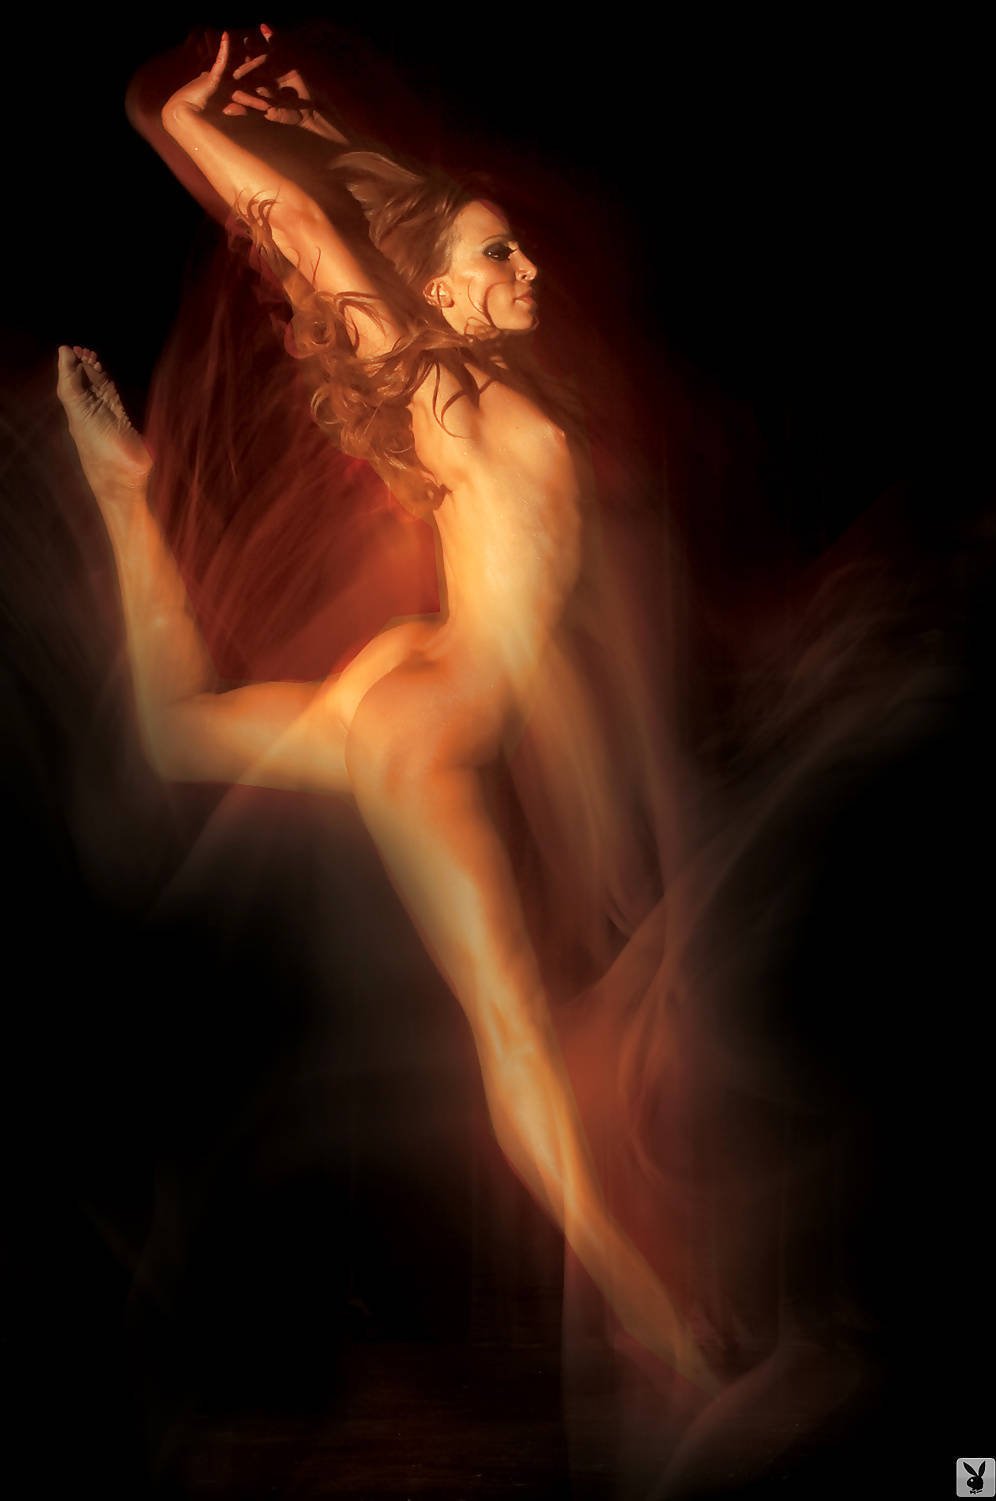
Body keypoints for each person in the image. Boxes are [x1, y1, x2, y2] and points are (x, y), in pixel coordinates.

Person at [56, 27, 716, 1399]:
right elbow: (303, 230)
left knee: (179, 730)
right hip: (432, 727)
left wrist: (316, 132)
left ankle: (121, 494)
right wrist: (191, 120)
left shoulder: (483, 381)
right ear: (442, 294)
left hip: (424, 692)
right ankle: (660, 1330)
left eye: (515, 250)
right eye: (497, 258)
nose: (526, 269)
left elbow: (371, 210)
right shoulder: (443, 386)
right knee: (514, 1033)